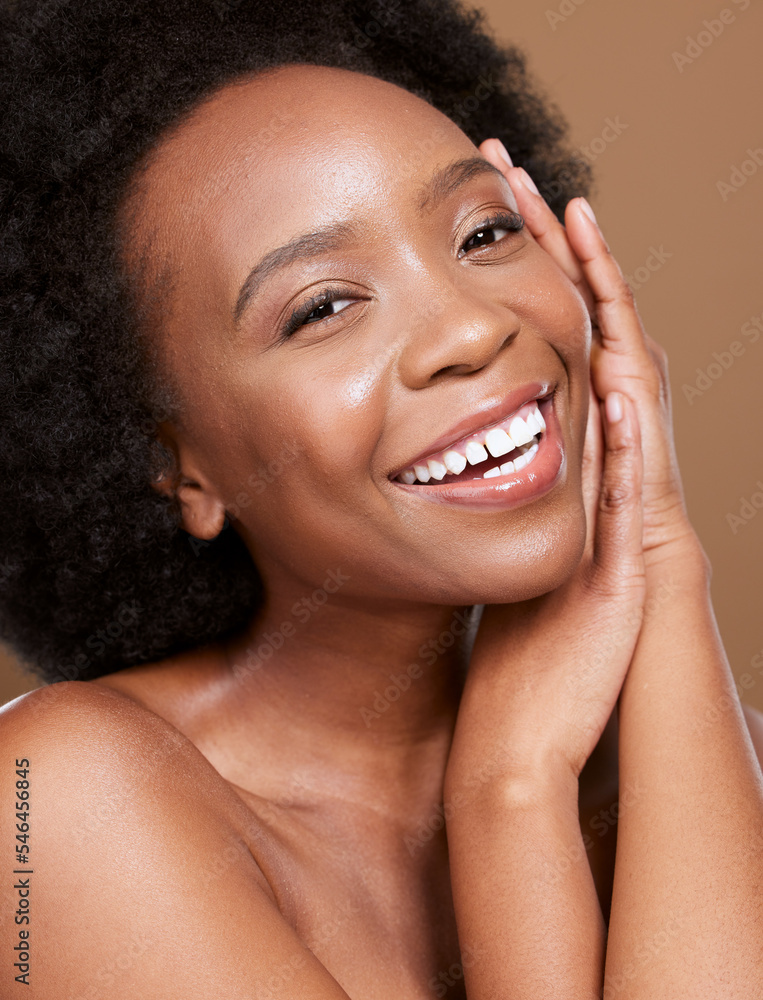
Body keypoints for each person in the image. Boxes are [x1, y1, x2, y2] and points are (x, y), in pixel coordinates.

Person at [1, 1, 762, 997]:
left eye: (486, 230)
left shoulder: (701, 761)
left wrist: (662, 564)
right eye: (323, 306)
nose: (468, 328)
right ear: (177, 465)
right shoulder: (49, 804)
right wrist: (507, 798)